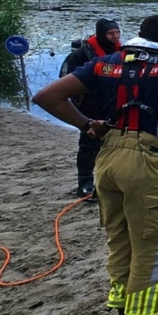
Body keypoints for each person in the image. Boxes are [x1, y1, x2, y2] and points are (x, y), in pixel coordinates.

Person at [33, 15, 158, 315]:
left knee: (121, 236)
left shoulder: (106, 62)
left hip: (108, 160)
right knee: (155, 241)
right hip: (150, 165)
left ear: (139, 35)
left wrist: (85, 124)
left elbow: (46, 97)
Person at [58, 18, 122, 197]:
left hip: (114, 104)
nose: (115, 37)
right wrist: (78, 101)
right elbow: (64, 80)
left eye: (117, 33)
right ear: (102, 34)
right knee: (89, 145)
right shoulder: (80, 55)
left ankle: (110, 181)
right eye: (111, 34)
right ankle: (85, 182)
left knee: (116, 144)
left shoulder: (122, 52)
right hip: (90, 105)